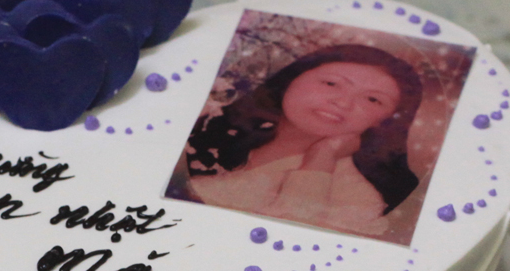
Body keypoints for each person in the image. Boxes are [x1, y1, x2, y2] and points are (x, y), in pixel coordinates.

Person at [177, 44, 423, 237]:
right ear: (292, 78)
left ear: (384, 121)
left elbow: (286, 245)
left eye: (372, 100)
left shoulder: (357, 198)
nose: (342, 102)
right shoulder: (208, 126)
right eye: (331, 83)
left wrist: (322, 157)